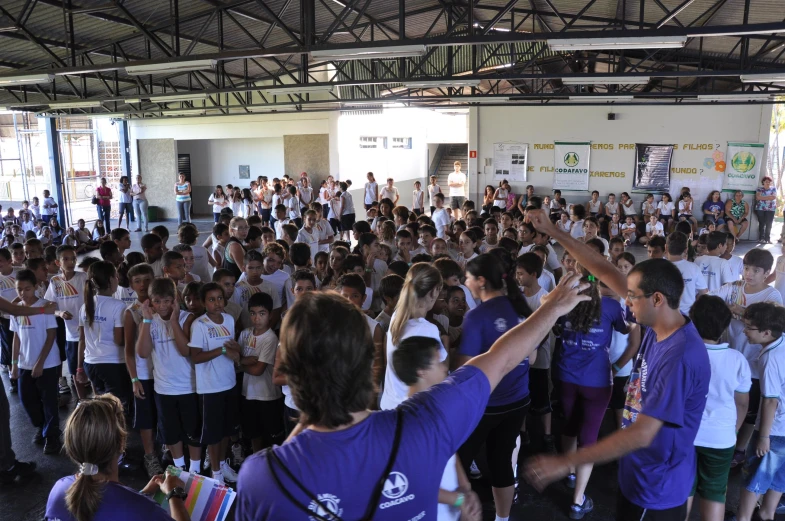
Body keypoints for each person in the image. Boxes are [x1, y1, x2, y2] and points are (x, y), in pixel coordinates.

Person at [234, 267, 589, 520]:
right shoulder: (426, 424)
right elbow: (501, 358)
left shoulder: (264, 478)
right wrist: (553, 306)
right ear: (368, 361)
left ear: (290, 372)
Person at [524, 208, 710, 521]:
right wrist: (556, 233)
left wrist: (565, 462)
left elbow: (642, 434)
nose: (626, 300)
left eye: (632, 296)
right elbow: (602, 268)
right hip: (638, 473)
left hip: (656, 490)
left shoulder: (680, 356)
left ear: (657, 299)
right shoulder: (658, 321)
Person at [456, 253, 534, 521]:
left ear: (480, 281)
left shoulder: (477, 316)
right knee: (501, 461)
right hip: (519, 399)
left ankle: (460, 511)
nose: (465, 282)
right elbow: (532, 357)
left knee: (458, 463)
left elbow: (465, 369)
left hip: (486, 403)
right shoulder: (519, 308)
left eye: (467, 278)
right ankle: (503, 518)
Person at [45, 393, 191, 521]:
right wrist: (174, 493)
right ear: (121, 443)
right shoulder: (143, 509)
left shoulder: (59, 489)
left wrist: (142, 494)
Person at [392, 336, 482, 521]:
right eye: (437, 362)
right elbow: (412, 484)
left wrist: (465, 486)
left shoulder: (434, 408)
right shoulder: (408, 423)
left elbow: (449, 449)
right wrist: (459, 500)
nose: (444, 367)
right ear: (421, 372)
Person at [687, 295, 750, 521]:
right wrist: (732, 431)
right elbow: (742, 403)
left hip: (686, 434)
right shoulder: (737, 360)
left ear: (691, 321)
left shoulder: (683, 354)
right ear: (725, 326)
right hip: (722, 437)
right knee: (715, 492)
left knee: (684, 488)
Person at [734, 302, 785, 521]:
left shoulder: (769, 358)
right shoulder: (781, 343)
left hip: (773, 430)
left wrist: (763, 437)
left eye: (748, 327)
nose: (744, 331)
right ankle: (767, 515)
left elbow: (770, 401)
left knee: (753, 478)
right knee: (777, 479)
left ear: (766, 332)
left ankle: (743, 518)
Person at [188, 282, 240, 484]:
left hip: (229, 382)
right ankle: (216, 473)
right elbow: (196, 357)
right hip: (210, 387)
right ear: (203, 302)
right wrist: (223, 350)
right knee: (213, 433)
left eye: (220, 298)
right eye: (211, 299)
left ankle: (222, 463)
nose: (217, 303)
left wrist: (235, 349)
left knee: (227, 429)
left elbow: (233, 348)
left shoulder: (229, 319)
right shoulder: (199, 325)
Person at [10, 269, 60, 454]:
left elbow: (50, 336)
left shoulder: (45, 307)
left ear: (36, 287)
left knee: (49, 401)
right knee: (27, 399)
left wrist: (40, 363)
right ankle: (42, 426)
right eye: (20, 289)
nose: (23, 293)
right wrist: (14, 364)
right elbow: (16, 336)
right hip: (25, 363)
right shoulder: (17, 309)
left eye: (27, 289)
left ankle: (52, 435)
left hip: (47, 363)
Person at [76, 262, 132, 413]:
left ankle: (102, 434)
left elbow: (81, 340)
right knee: (116, 407)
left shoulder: (85, 306)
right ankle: (113, 435)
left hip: (91, 363)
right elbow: (119, 340)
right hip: (112, 364)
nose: (118, 278)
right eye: (115, 275)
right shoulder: (118, 305)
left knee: (101, 405)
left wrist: (79, 367)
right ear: (110, 280)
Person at [755, 176, 777, 244]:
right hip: (760, 208)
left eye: (769, 182)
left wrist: (762, 197)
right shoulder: (759, 189)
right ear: (763, 182)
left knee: (769, 224)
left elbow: (773, 197)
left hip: (771, 209)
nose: (767, 183)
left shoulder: (773, 188)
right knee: (762, 223)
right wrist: (768, 197)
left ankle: (767, 239)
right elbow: (758, 198)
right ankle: (761, 238)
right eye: (766, 181)